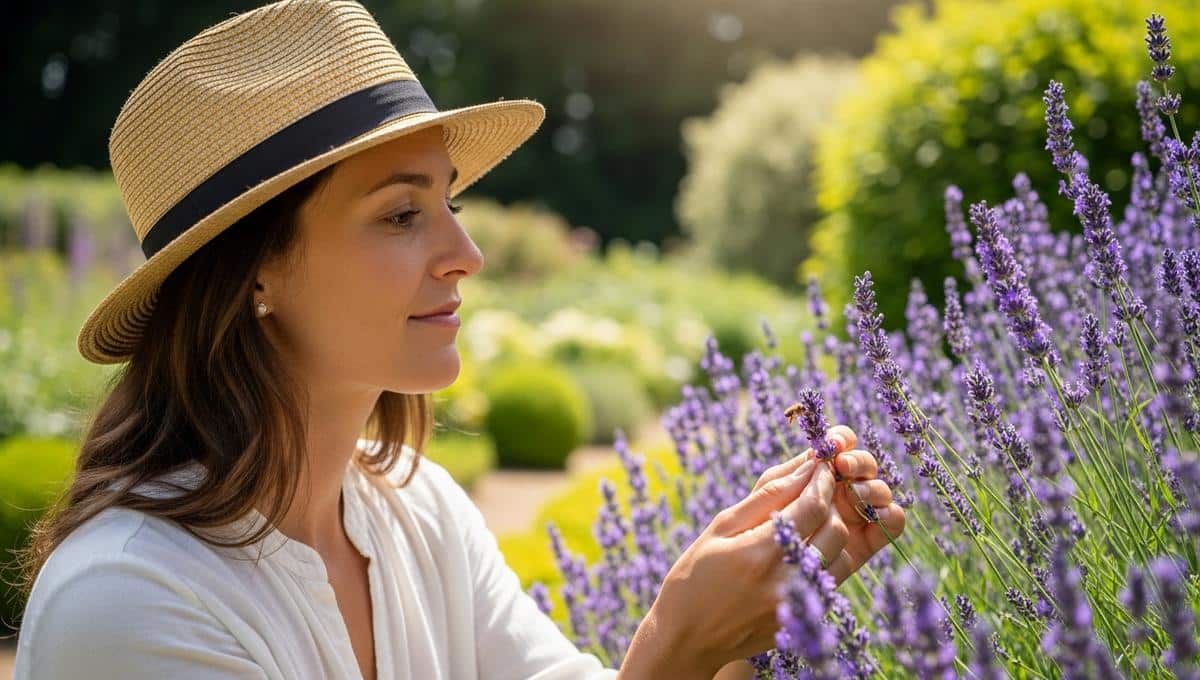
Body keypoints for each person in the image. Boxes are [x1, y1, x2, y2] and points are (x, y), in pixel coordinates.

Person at [11, 1, 904, 679]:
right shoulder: (128, 605)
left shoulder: (416, 512)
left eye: (452, 204)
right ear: (254, 275)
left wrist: (741, 626)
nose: (466, 255)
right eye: (402, 214)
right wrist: (673, 642)